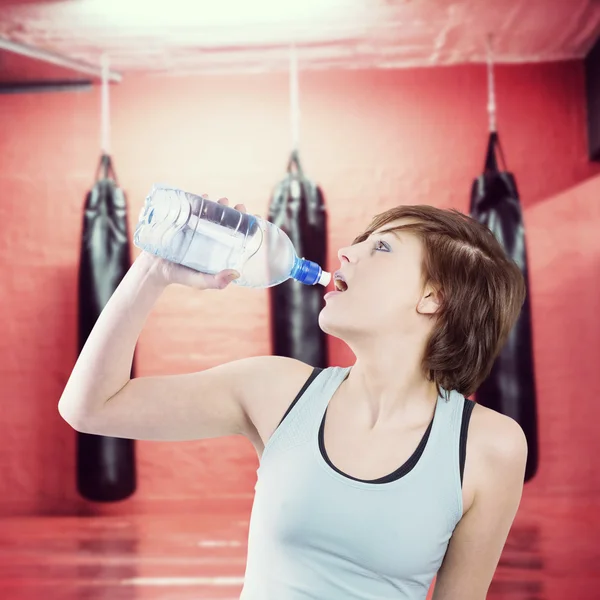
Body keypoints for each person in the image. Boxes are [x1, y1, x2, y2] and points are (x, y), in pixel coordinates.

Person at [59, 197, 528, 600]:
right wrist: (154, 270)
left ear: (433, 297)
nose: (346, 251)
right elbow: (90, 406)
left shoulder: (490, 446)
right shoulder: (278, 391)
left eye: (381, 247)